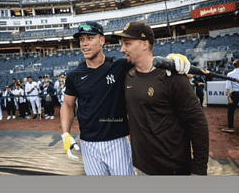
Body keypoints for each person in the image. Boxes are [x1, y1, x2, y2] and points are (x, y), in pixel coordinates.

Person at [60, 21, 190, 176]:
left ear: (102, 40)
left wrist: (172, 60)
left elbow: (147, 61)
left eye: (90, 38)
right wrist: (66, 134)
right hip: (88, 144)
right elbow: (67, 105)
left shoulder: (120, 66)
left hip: (117, 142)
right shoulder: (74, 75)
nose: (84, 44)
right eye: (81, 40)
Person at [115, 21, 209, 175]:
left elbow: (197, 123)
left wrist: (199, 170)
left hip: (172, 169)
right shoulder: (127, 76)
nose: (122, 49)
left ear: (145, 44)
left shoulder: (172, 77)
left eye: (127, 44)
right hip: (141, 167)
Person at [222, 59, 239, 133]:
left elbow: (228, 88)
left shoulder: (230, 74)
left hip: (235, 94)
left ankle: (230, 127)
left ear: (234, 66)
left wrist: (229, 97)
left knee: (231, 111)